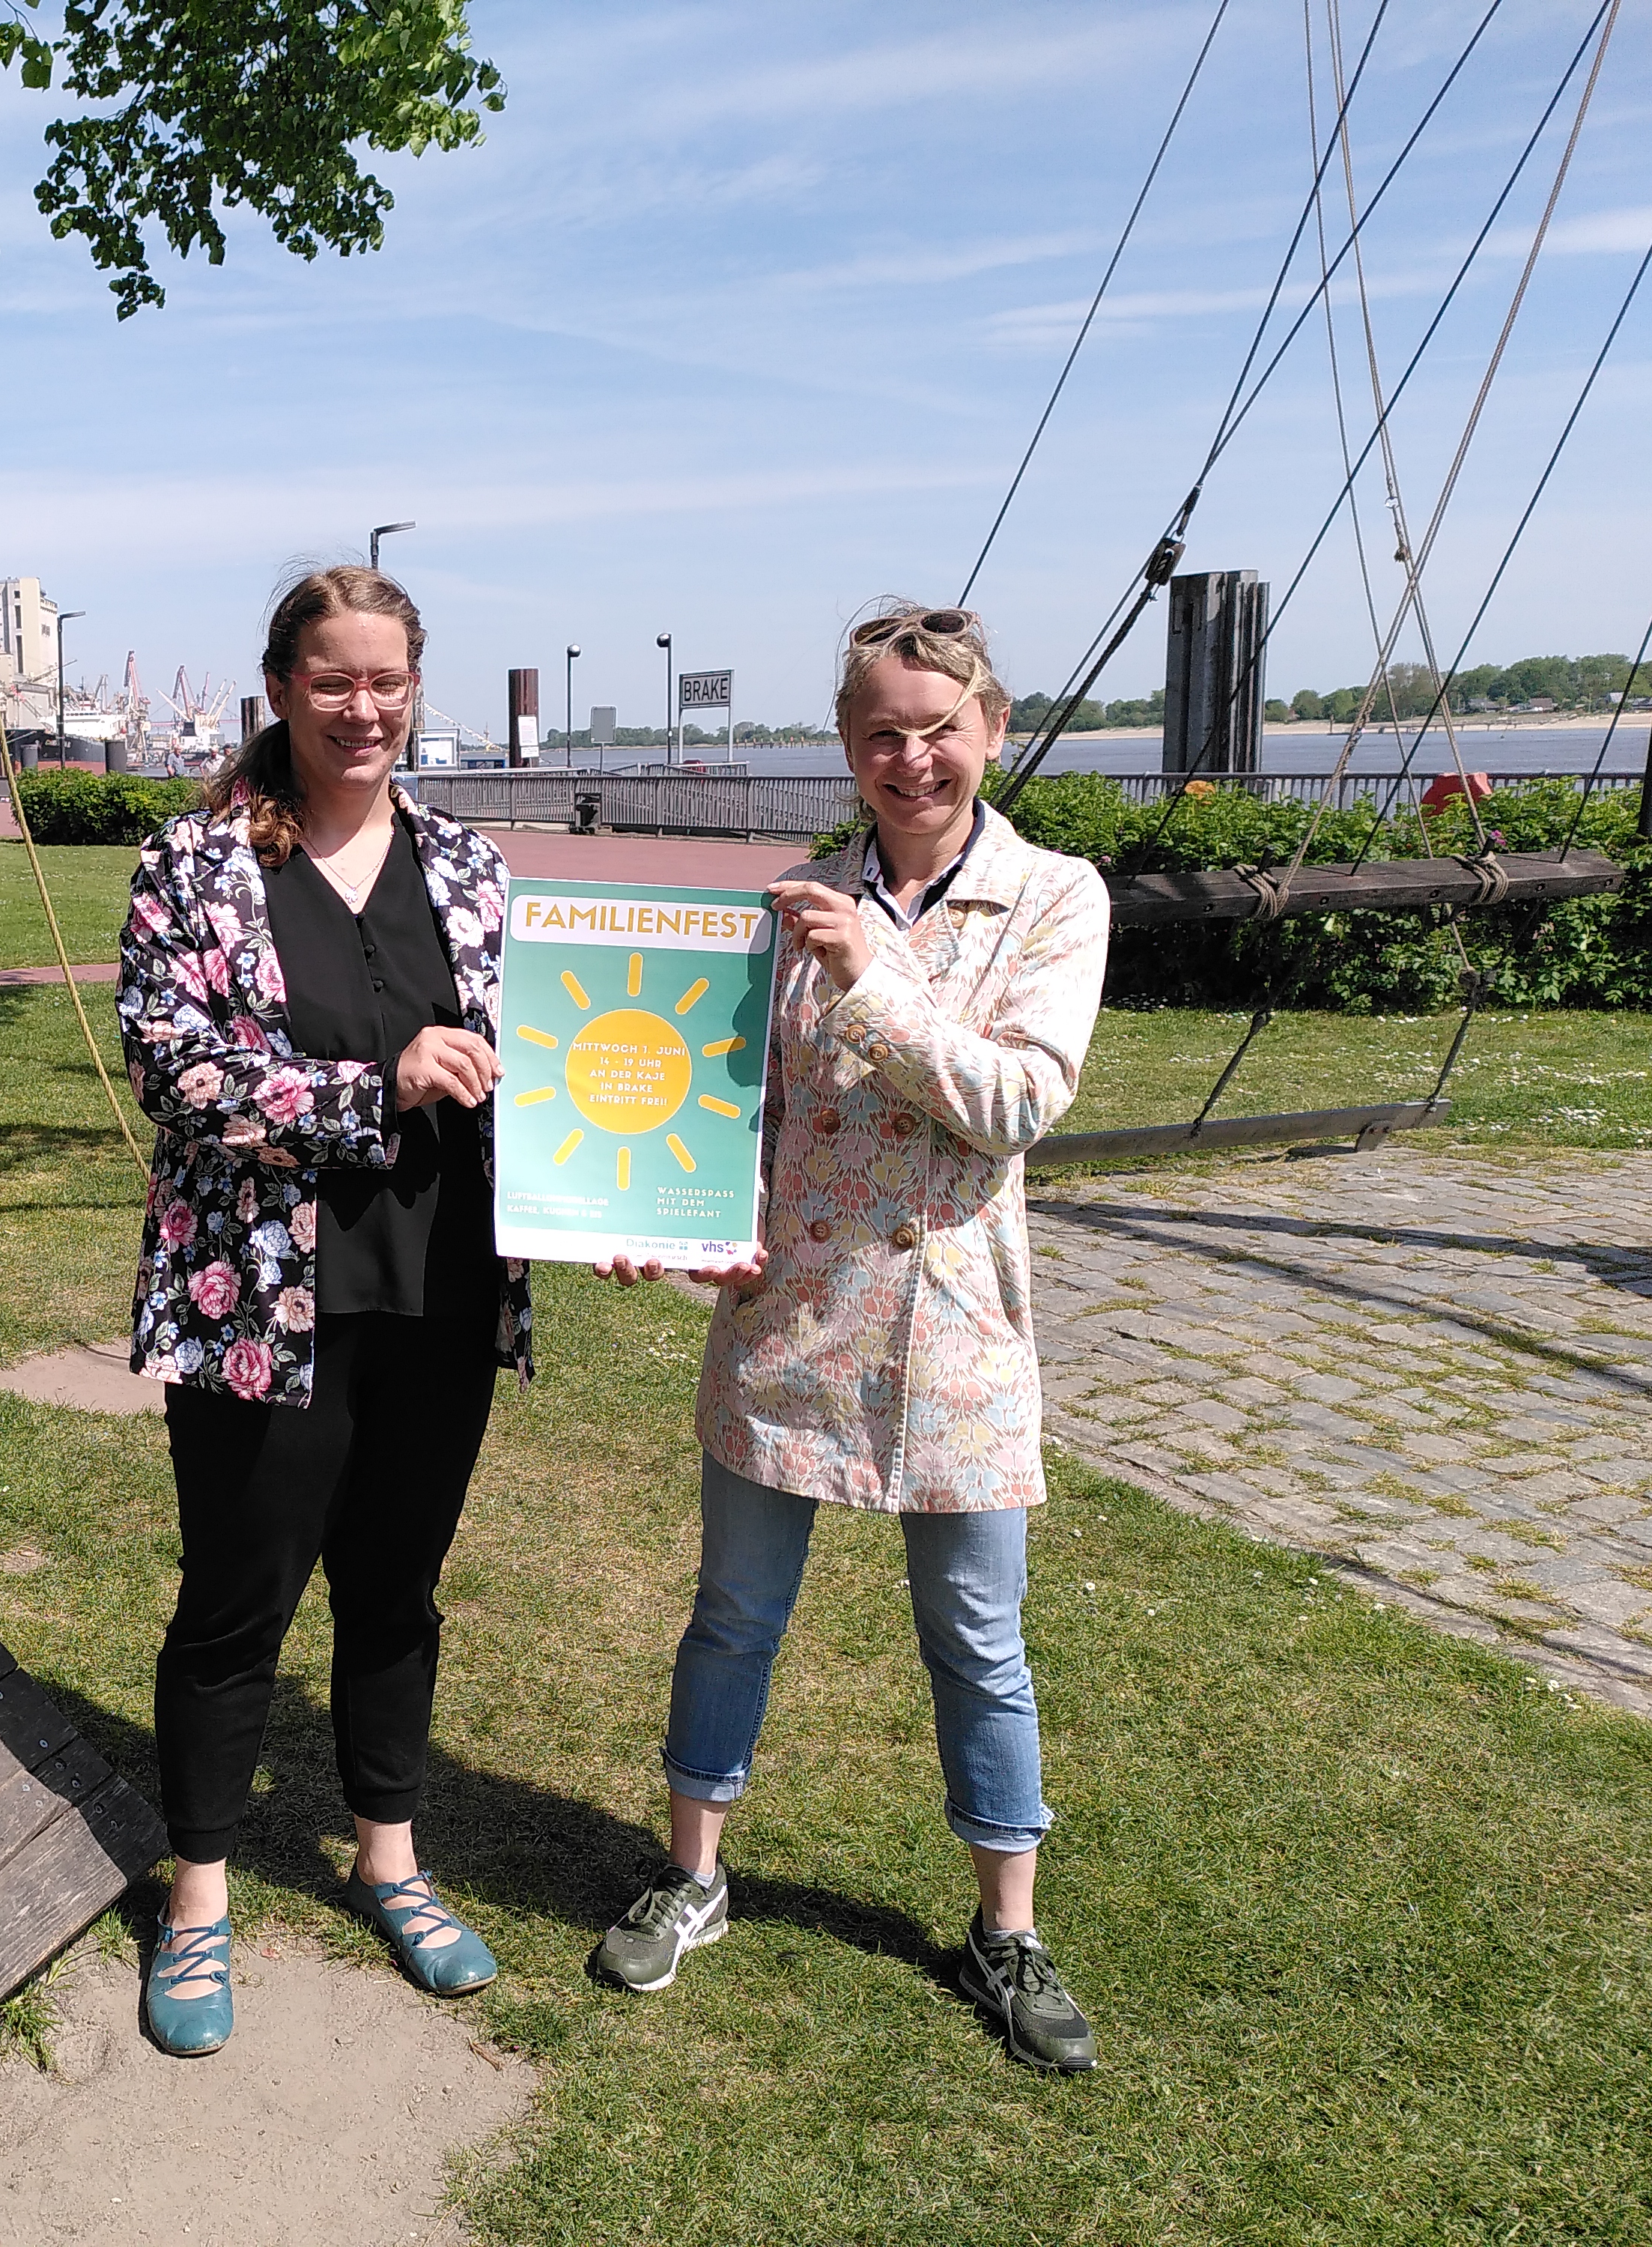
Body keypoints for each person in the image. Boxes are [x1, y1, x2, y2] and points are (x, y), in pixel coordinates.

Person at [588, 601, 1111, 2074]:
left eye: (937, 727)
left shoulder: (1053, 898)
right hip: (784, 1332)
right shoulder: (793, 902)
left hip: (952, 1346)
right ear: (846, 744)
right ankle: (691, 1875)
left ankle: (1003, 1928)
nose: (909, 756)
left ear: (989, 731)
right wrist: (671, 1211)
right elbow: (721, 1110)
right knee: (730, 1620)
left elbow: (1014, 1101)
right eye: (879, 731)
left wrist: (875, 984)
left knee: (976, 1645)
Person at [116, 565, 530, 2058]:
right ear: (282, 687)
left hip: (438, 1292)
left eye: (387, 681)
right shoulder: (192, 865)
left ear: (415, 689)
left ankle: (388, 1861)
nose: (364, 707)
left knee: (396, 1589)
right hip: (258, 1305)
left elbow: (540, 1064)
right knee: (237, 1601)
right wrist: (373, 1087)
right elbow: (177, 1073)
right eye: (333, 679)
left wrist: (622, 1188)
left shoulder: (473, 871)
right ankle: (199, 1896)